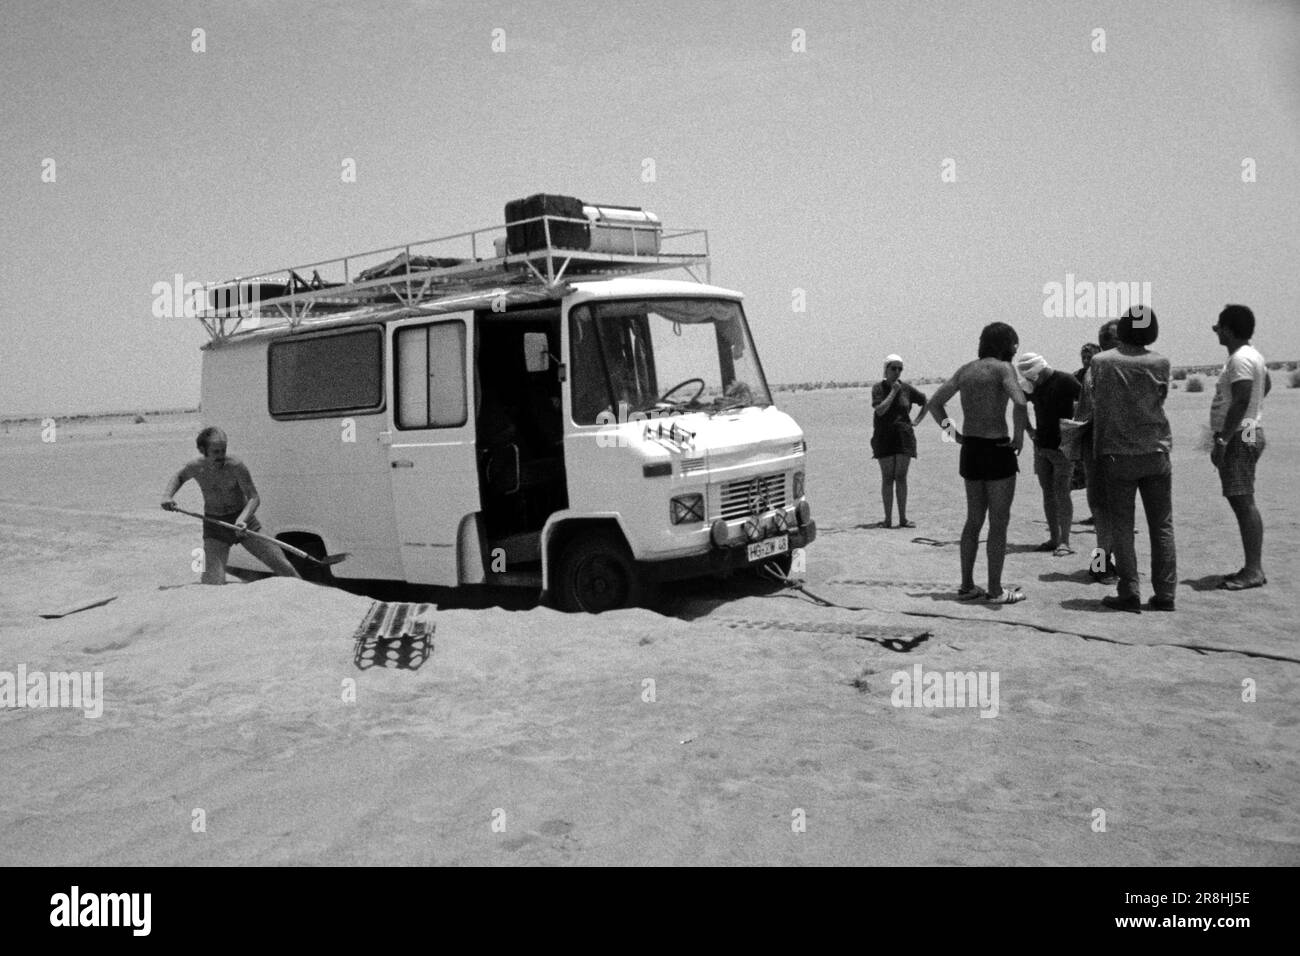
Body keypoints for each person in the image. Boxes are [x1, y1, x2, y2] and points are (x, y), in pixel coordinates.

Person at [926, 322, 1029, 604]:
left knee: (973, 519)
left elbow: (935, 404)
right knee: (999, 521)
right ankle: (995, 590)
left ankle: (967, 585)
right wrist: (1019, 437)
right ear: (1006, 344)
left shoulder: (966, 370)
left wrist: (954, 435)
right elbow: (1020, 403)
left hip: (971, 449)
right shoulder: (1003, 369)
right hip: (997, 449)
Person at [1086, 307, 1176, 612]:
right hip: (1156, 450)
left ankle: (1129, 590)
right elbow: (1159, 400)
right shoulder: (1160, 362)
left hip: (1117, 454)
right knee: (1161, 525)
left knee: (1122, 527)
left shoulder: (1101, 363)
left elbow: (1094, 404)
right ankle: (1165, 592)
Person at [161, 427, 301, 585]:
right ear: (202, 450)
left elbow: (254, 498)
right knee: (212, 582)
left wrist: (242, 519)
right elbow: (178, 477)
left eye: (223, 450)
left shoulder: (236, 466)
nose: (221, 456)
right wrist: (168, 496)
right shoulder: (195, 466)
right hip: (215, 526)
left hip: (244, 523)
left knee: (284, 567)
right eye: (215, 452)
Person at [1209, 304, 1271, 590]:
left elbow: (1243, 398)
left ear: (1229, 329)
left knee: (1243, 500)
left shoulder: (1240, 359)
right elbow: (1265, 384)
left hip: (1242, 434)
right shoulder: (1252, 356)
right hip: (1248, 430)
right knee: (1241, 499)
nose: (1217, 333)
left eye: (1219, 328)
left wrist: (1224, 439)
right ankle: (1252, 566)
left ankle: (1253, 569)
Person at [1017, 353, 1081, 556]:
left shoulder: (1066, 380)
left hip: (1063, 448)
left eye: (1034, 376)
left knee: (1062, 493)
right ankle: (1054, 538)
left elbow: (1088, 403)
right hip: (1041, 447)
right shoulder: (1032, 385)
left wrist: (1076, 430)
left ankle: (1065, 541)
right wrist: (1029, 430)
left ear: (1042, 368)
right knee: (1048, 493)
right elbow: (1019, 406)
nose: (1033, 381)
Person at [1076, 320, 1121, 581]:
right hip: (1101, 449)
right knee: (1104, 511)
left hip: (1109, 448)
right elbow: (1090, 413)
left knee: (1111, 510)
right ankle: (1102, 563)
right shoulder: (1100, 369)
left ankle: (1105, 561)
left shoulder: (1106, 367)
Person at [869, 354, 928, 528]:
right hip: (884, 437)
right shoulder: (878, 388)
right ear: (885, 369)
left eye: (900, 369)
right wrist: (893, 392)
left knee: (901, 477)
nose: (897, 372)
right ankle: (888, 519)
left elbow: (926, 402)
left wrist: (916, 421)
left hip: (903, 436)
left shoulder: (908, 389)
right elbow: (880, 410)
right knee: (887, 478)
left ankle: (902, 518)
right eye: (893, 368)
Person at [1071, 343, 1102, 514]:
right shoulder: (1077, 376)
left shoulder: (1104, 374)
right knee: (1085, 477)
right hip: (1083, 431)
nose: (1086, 360)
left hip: (1103, 432)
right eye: (1083, 357)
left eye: (1089, 357)